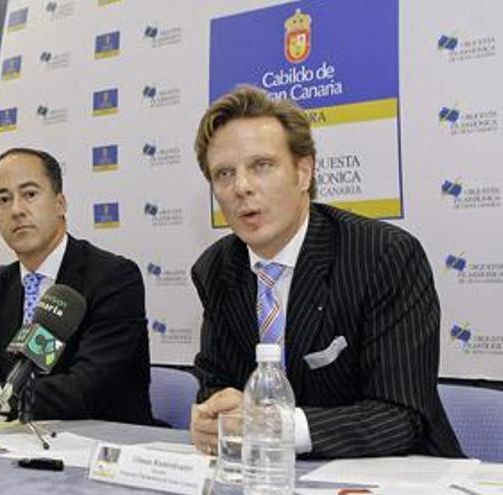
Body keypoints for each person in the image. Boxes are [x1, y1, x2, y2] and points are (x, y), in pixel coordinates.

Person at [189, 85, 463, 458]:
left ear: (303, 172)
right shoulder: (216, 268)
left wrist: (279, 427)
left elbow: (402, 415)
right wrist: (213, 415)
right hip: (270, 476)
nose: (242, 187)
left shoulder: (383, 255)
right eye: (224, 174)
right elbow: (215, 384)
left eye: (262, 166)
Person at [0, 148, 153, 425]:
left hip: (100, 447)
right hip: (10, 450)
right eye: (3, 199)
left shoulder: (113, 278)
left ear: (60, 203)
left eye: (29, 194)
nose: (16, 210)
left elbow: (87, 391)